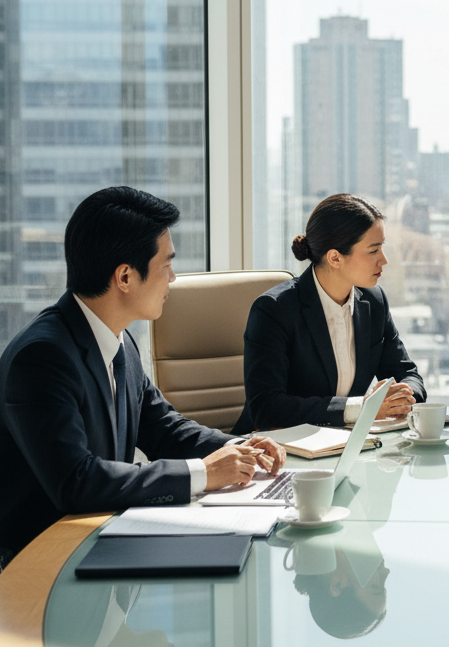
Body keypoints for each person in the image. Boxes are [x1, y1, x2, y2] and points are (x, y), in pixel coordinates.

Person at [0, 187, 285, 568]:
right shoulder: (42, 358)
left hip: (102, 537)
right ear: (124, 276)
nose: (173, 277)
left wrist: (243, 449)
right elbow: (77, 481)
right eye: (166, 264)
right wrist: (204, 472)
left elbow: (164, 429)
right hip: (44, 562)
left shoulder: (119, 340)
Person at [234, 193, 425, 433]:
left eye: (382, 247)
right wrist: (361, 408)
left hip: (345, 445)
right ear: (335, 257)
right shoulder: (274, 310)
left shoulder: (374, 301)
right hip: (276, 450)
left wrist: (405, 395)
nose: (384, 260)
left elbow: (406, 373)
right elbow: (267, 408)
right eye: (373, 250)